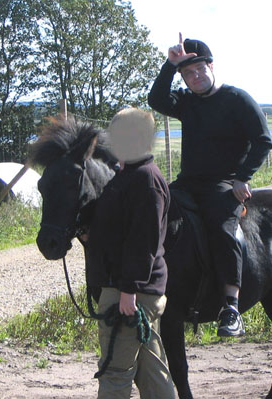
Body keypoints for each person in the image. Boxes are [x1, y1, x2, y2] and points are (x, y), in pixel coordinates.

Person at [148, 34, 272, 337]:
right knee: (156, 216)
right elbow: (156, 100)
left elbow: (263, 141)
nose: (195, 77)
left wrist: (242, 177)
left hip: (223, 184)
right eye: (188, 73)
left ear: (211, 66)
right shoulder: (188, 103)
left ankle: (230, 306)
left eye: (200, 70)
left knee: (222, 228)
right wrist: (169, 64)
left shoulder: (237, 99)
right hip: (187, 183)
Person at [86, 108, 176, 398]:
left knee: (115, 371)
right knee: (151, 372)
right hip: (132, 288)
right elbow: (119, 229)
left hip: (130, 291)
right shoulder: (128, 175)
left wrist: (129, 290)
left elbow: (144, 241)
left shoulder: (146, 180)